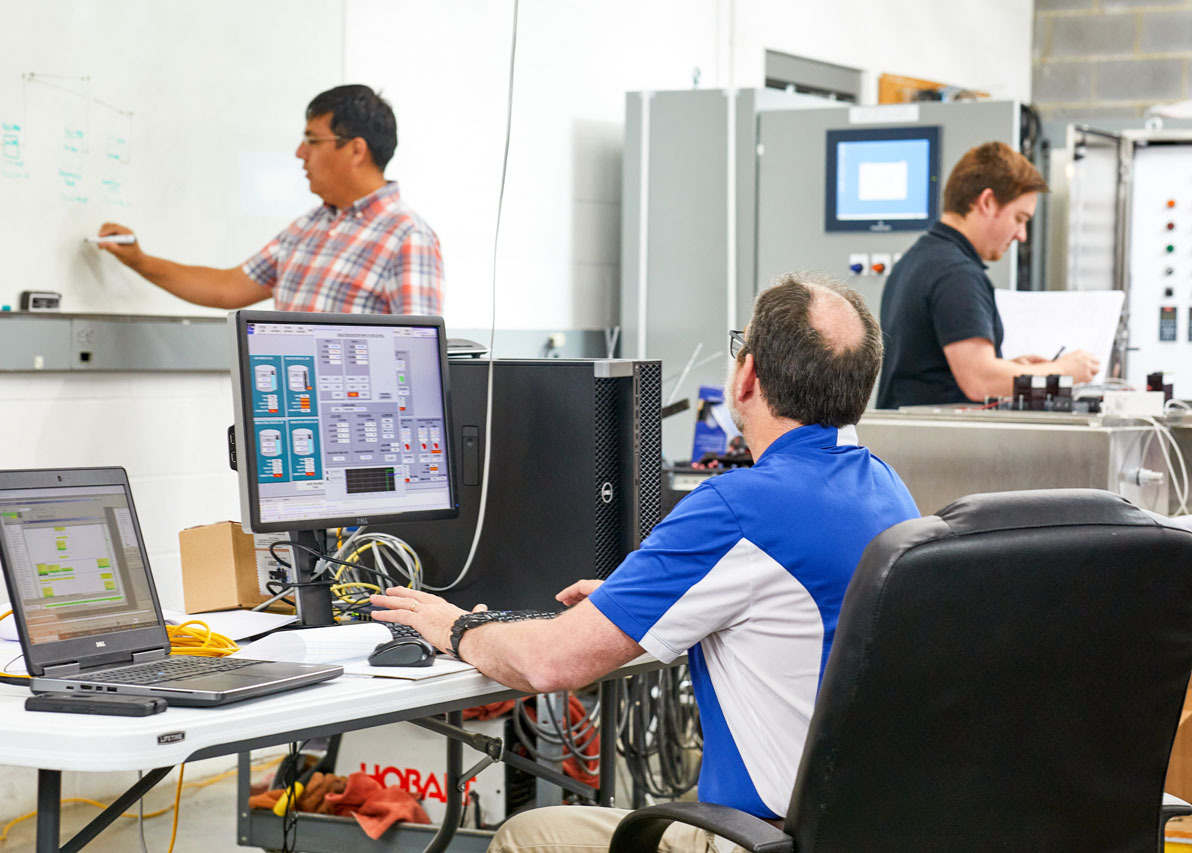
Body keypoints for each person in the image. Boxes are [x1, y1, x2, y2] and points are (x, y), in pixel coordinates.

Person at [369, 272, 920, 851]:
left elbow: (550, 666)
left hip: (766, 840)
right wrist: (639, 600)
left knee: (528, 837)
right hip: (867, 828)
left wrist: (454, 626)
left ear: (748, 374)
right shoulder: (884, 487)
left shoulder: (738, 508)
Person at [95, 84, 442, 315]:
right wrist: (139, 260)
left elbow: (417, 362)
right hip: (293, 417)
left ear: (355, 149)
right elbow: (227, 288)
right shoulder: (309, 227)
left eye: (312, 141)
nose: (299, 153)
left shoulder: (407, 238)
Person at [876, 141, 1098, 409]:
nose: (1021, 235)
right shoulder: (956, 274)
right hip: (938, 445)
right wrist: (1064, 371)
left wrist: (1010, 369)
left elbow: (932, 371)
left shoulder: (917, 260)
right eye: (1019, 218)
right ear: (987, 202)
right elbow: (980, 381)